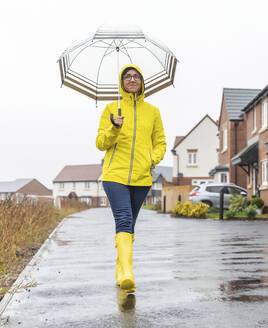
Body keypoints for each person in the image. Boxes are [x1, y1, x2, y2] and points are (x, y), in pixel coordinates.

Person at [96, 64, 166, 293]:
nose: (133, 79)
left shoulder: (153, 111)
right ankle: (128, 273)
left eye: (137, 76)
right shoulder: (111, 109)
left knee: (129, 225)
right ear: (121, 82)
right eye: (128, 76)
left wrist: (151, 160)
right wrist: (114, 127)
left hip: (142, 177)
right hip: (114, 175)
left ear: (142, 82)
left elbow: (160, 142)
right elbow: (100, 143)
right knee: (124, 219)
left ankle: (120, 271)